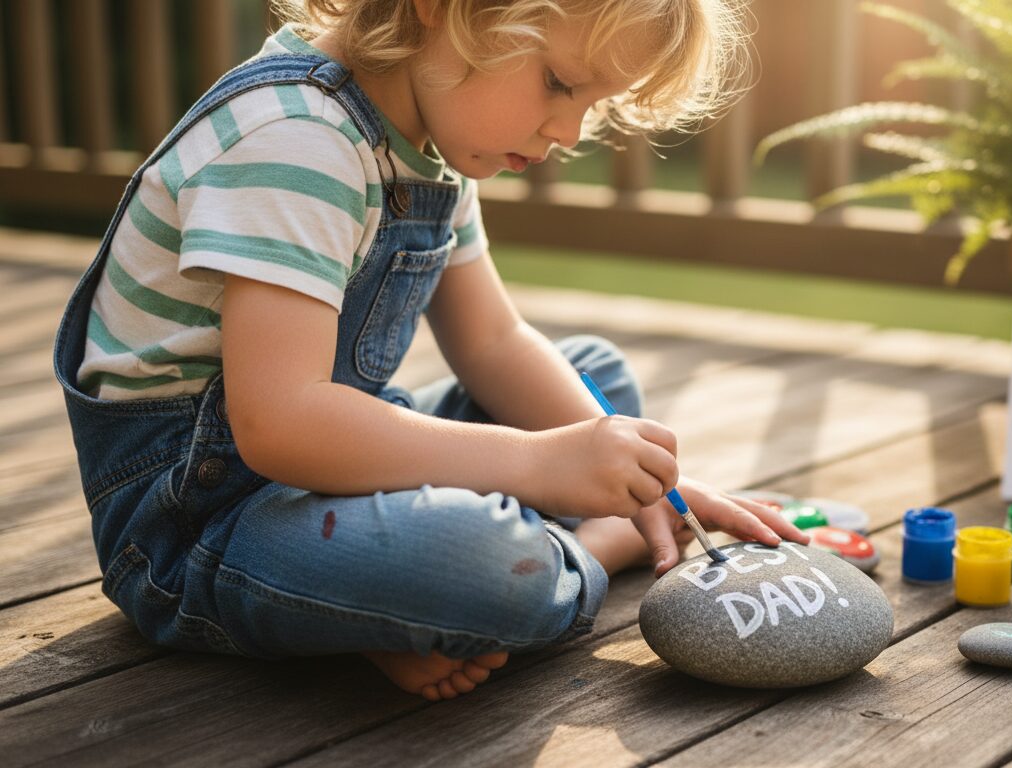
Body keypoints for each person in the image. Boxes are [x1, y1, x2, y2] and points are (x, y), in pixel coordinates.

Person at [53, 0, 807, 703]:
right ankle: (594, 550)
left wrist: (661, 480)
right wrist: (545, 467)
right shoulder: (294, 140)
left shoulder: (422, 136)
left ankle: (380, 614)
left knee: (594, 376)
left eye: (594, 104)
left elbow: (494, 343)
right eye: (560, 83)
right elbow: (278, 423)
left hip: (328, 470)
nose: (571, 132)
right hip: (198, 522)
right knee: (485, 566)